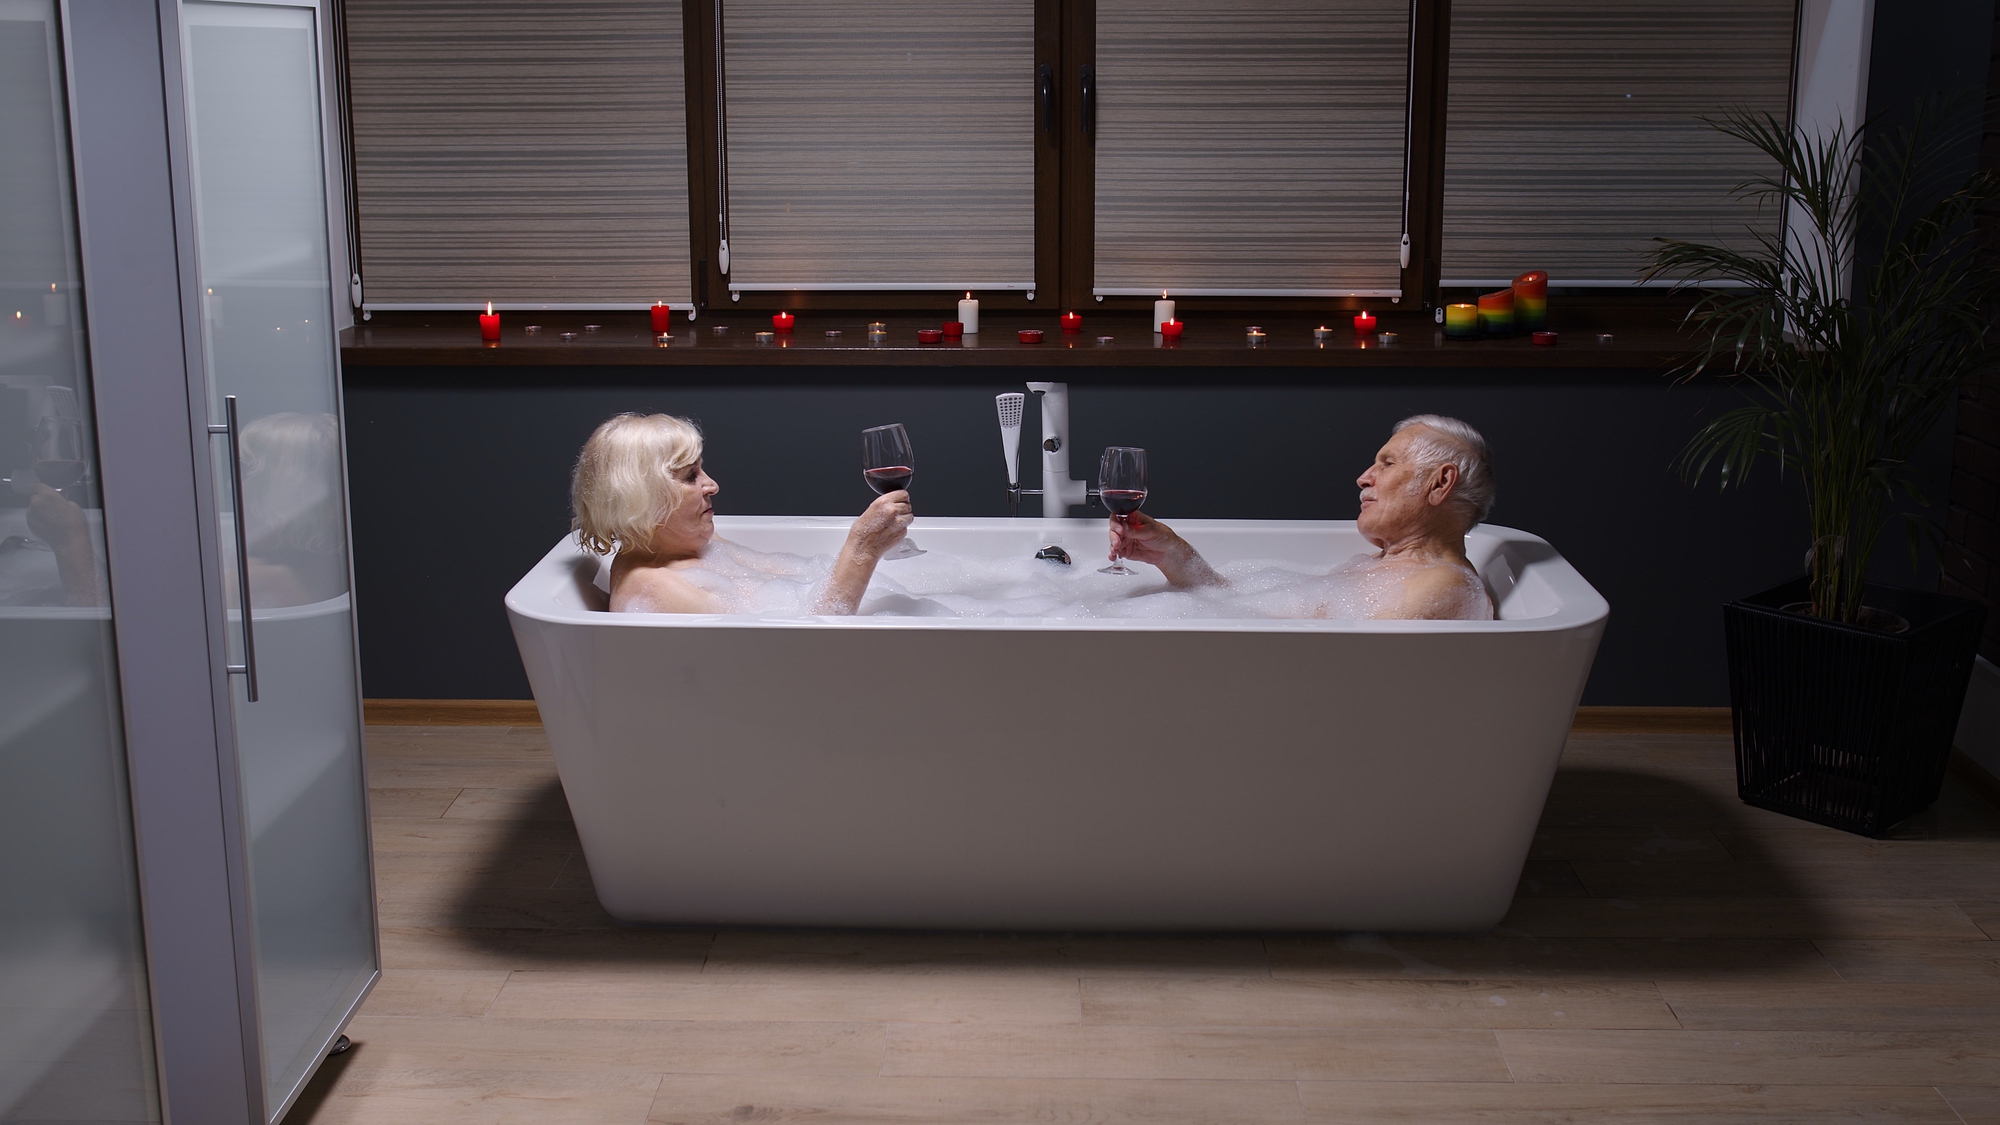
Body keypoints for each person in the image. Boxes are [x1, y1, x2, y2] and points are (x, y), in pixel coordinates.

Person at [1109, 414, 1497, 620]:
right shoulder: (1381, 569)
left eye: (1388, 463)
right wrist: (1171, 553)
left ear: (1440, 482)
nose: (1364, 477)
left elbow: (1337, 672)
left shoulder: (1442, 587)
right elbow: (1237, 607)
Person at [572, 412, 912, 615]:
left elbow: (798, 595)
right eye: (691, 476)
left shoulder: (685, 544)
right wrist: (863, 549)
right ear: (641, 499)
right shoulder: (654, 588)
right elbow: (805, 649)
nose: (712, 485)